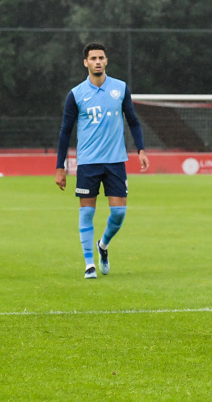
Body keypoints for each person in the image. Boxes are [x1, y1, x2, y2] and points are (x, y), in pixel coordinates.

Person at [55, 42, 149, 279]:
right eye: (93, 58)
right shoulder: (76, 94)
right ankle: (89, 263)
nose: (97, 61)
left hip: (116, 161)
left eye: (101, 57)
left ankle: (103, 245)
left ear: (106, 61)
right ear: (85, 62)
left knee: (119, 213)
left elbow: (134, 121)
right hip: (88, 162)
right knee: (87, 213)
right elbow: (65, 131)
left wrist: (141, 150)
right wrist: (60, 166)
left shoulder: (120, 88)